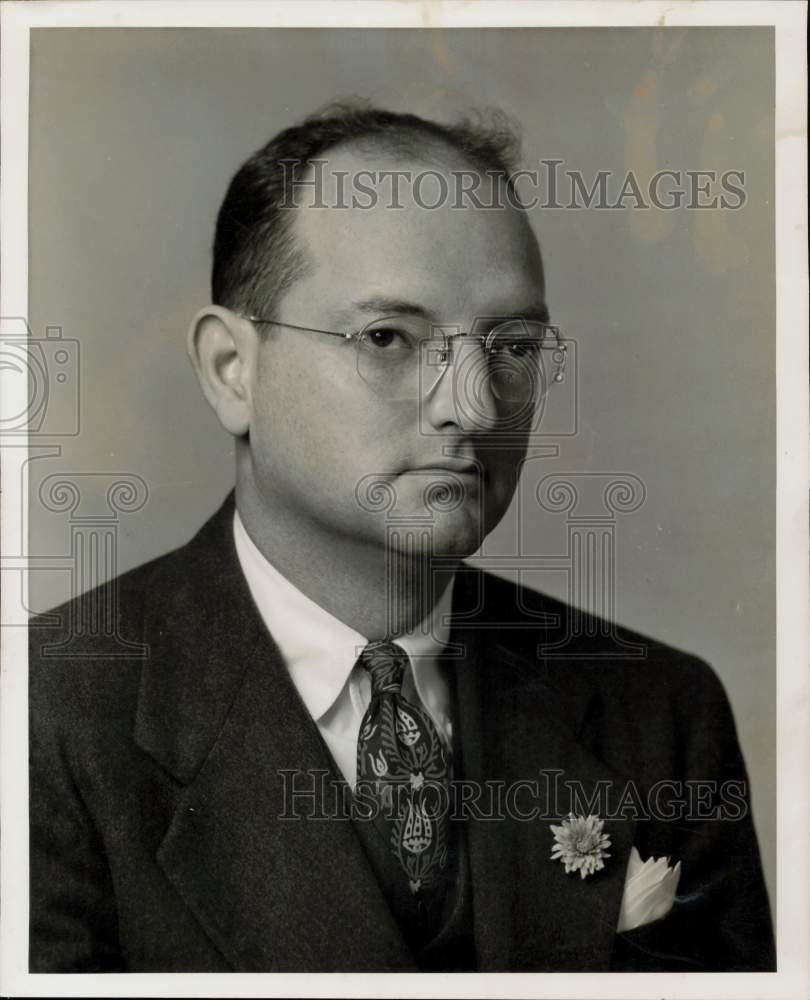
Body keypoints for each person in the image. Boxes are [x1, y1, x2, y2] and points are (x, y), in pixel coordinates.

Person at [28, 103, 775, 973]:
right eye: (388, 338)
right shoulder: (48, 720)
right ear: (233, 370)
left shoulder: (662, 714)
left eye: (513, 346)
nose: (476, 405)